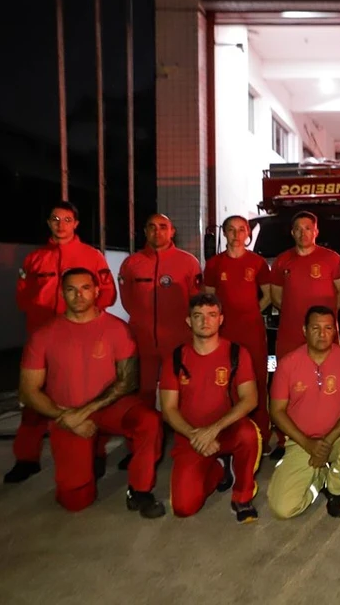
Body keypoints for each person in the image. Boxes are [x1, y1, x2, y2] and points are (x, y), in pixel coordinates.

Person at [17, 268, 165, 518]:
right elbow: (28, 391)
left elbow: (127, 382)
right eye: (71, 289)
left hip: (108, 407)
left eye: (85, 288)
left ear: (97, 291)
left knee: (149, 421)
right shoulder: (44, 335)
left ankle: (139, 491)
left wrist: (82, 413)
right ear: (62, 293)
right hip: (65, 412)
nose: (79, 295)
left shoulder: (117, 329)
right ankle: (89, 458)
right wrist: (66, 417)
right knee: (75, 501)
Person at [6, 201, 117, 484]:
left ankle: (96, 453)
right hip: (42, 340)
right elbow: (22, 298)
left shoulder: (91, 257)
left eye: (67, 219)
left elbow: (107, 294)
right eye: (55, 219)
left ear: (76, 224)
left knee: (88, 398)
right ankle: (26, 458)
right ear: (48, 222)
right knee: (34, 400)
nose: (61, 224)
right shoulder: (34, 260)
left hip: (80, 341)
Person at [158, 293, 263, 522]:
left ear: (221, 319)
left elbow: (250, 399)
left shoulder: (236, 353)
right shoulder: (176, 358)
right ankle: (219, 468)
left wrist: (213, 429)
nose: (205, 321)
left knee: (248, 434)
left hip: (226, 430)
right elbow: (168, 409)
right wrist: (195, 435)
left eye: (211, 315)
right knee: (183, 508)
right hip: (191, 436)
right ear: (188, 321)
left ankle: (242, 497)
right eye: (198, 316)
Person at [267, 306, 340, 519]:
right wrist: (308, 444)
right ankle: (319, 479)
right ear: (304, 330)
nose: (322, 334)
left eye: (328, 328)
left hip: (338, 436)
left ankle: (334, 489)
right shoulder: (288, 363)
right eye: (315, 328)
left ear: (335, 331)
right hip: (301, 441)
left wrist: (327, 441)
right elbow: (276, 411)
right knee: (283, 509)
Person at [118, 213, 203, 469]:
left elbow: (195, 302)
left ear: (172, 231)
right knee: (141, 396)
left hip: (177, 342)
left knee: (183, 395)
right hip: (142, 343)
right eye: (152, 227)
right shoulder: (132, 264)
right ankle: (138, 447)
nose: (158, 232)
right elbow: (128, 301)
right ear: (145, 231)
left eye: (163, 227)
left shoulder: (188, 263)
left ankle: (188, 444)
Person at [202, 215, 273, 450]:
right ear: (224, 233)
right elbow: (209, 298)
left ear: (248, 234)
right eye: (230, 229)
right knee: (224, 383)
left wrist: (251, 311)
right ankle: (227, 434)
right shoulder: (214, 264)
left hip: (251, 331)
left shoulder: (258, 263)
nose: (236, 234)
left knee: (257, 380)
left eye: (241, 229)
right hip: (223, 334)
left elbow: (268, 295)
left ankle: (261, 432)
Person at [269, 210, 340, 362]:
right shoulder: (281, 261)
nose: (303, 233)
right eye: (298, 229)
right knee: (291, 378)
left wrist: (324, 315)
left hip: (323, 334)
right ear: (292, 232)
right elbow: (276, 297)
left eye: (307, 228)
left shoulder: (332, 259)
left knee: (329, 377)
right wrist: (295, 311)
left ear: (316, 232)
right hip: (291, 334)